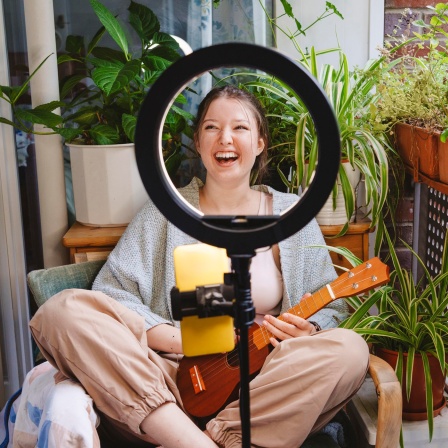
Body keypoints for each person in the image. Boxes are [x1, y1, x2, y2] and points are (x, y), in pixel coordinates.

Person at [29, 85, 369, 448]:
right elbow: (112, 295)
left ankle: (217, 437)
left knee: (351, 350)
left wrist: (309, 330)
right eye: (211, 127)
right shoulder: (164, 213)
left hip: (264, 388)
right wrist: (180, 341)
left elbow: (334, 307)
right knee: (62, 310)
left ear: (260, 142)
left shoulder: (293, 216)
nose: (225, 138)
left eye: (239, 128)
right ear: (198, 141)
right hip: (167, 385)